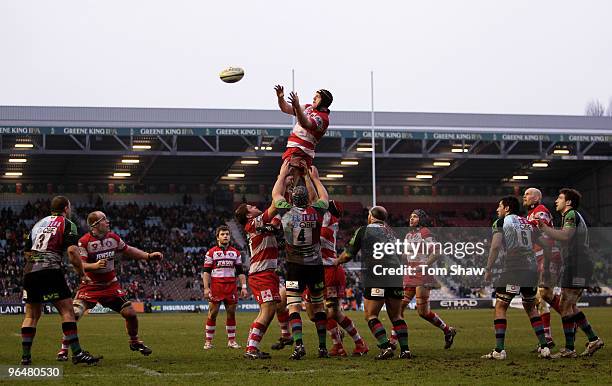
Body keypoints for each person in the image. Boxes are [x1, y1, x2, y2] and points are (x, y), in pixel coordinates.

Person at [56, 210, 163, 360]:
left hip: (110, 286)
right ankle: (63, 350)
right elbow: (79, 265)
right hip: (90, 286)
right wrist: (95, 265)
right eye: (104, 220)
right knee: (74, 314)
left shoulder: (113, 237)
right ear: (95, 225)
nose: (108, 222)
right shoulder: (84, 242)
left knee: (130, 314)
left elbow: (128, 250)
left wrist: (148, 256)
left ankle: (134, 342)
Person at [20, 196, 101, 365]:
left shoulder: (38, 225)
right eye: (69, 207)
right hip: (50, 271)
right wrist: (82, 274)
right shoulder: (67, 224)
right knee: (67, 312)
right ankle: (77, 354)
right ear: (66, 208)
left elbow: (26, 252)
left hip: (29, 271)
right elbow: (72, 252)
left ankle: (25, 357)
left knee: (31, 315)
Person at [335, 206, 412, 360]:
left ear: (370, 216)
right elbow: (404, 257)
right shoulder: (393, 233)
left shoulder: (364, 230)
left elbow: (348, 254)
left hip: (376, 275)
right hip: (395, 275)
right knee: (396, 316)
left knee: (371, 315)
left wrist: (335, 262)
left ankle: (385, 347)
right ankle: (405, 350)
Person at [482, 196, 552, 360]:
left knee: (500, 306)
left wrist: (488, 268)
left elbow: (496, 246)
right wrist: (546, 268)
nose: (497, 209)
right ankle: (544, 347)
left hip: (514, 269)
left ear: (507, 208)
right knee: (531, 307)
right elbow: (547, 246)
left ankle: (499, 350)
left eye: (499, 206)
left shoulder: (501, 222)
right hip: (531, 270)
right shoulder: (528, 222)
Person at [537, 188, 604, 358]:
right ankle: (593, 339)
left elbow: (566, 236)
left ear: (568, 202)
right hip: (576, 264)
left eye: (560, 198)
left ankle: (569, 348)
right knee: (571, 306)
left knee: (566, 305)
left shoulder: (571, 214)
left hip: (577, 264)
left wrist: (544, 228)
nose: (556, 201)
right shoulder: (570, 216)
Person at [273, 161, 330, 359]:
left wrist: (282, 175)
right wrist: (313, 177)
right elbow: (324, 197)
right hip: (315, 265)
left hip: (295, 266)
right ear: (307, 200)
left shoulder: (286, 213)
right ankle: (323, 347)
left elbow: (276, 195)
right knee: (318, 306)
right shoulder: (316, 211)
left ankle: (299, 346)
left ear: (292, 198)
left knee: (294, 305)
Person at [234, 166, 288, 359]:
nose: (255, 206)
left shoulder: (262, 223)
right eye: (251, 207)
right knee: (268, 310)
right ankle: (251, 348)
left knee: (278, 305)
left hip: (268, 273)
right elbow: (275, 205)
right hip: (261, 274)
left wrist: (288, 186)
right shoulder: (252, 223)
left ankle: (285, 335)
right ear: (249, 214)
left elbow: (280, 209)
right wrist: (282, 175)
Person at [391, 209, 456, 350]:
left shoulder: (425, 232)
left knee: (423, 313)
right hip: (409, 274)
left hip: (423, 275)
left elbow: (437, 252)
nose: (411, 219)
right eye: (410, 216)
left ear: (421, 219)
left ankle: (447, 330)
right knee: (398, 308)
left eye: (414, 216)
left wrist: (424, 265)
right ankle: (393, 341)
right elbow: (406, 256)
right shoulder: (408, 235)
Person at [310, 200, 368, 357]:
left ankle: (357, 342)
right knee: (316, 313)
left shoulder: (329, 218)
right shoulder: (325, 219)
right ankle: (340, 345)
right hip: (319, 270)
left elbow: (317, 239)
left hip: (330, 270)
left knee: (331, 312)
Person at [523, 187, 562, 349]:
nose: (524, 196)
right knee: (540, 298)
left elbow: (541, 224)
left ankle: (571, 318)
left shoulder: (541, 211)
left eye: (527, 194)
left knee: (544, 293)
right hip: (536, 257)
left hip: (548, 256)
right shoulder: (529, 214)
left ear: (537, 198)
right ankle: (547, 339)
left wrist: (521, 223)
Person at [203, 225, 248, 350]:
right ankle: (208, 342)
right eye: (223, 234)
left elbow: (240, 272)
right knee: (212, 314)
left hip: (231, 287)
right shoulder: (211, 252)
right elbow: (206, 272)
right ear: (217, 237)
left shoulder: (236, 253)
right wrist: (206, 288)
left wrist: (244, 287)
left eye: (227, 234)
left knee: (231, 314)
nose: (226, 236)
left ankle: (231, 341)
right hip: (217, 287)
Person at [274, 85, 332, 180]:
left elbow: (305, 123)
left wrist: (297, 107)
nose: (314, 98)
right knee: (285, 180)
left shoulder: (323, 118)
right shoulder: (309, 108)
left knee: (289, 181)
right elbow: (286, 108)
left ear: (324, 101)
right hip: (293, 149)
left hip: (301, 152)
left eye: (317, 96)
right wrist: (280, 98)